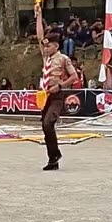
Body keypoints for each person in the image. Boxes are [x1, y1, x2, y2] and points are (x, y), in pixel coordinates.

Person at [39, 30, 78, 171]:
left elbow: (74, 77)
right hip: (46, 94)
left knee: (49, 122)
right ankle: (52, 159)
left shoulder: (63, 59)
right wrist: (38, 15)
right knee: (45, 125)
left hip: (57, 94)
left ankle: (55, 154)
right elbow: (39, 36)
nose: (45, 49)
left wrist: (60, 85)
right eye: (45, 47)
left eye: (48, 46)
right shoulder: (46, 58)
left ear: (55, 45)